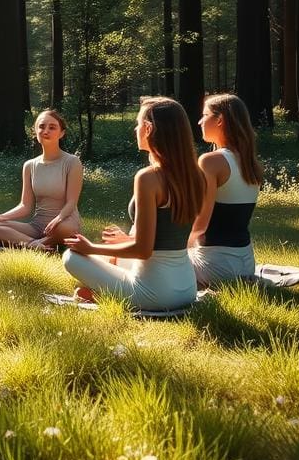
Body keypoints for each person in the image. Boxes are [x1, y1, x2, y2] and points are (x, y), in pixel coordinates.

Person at [62, 97, 204, 310]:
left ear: (148, 128)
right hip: (187, 287)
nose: (135, 129)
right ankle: (104, 293)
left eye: (138, 124)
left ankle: (106, 295)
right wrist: (123, 241)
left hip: (156, 294)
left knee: (71, 257)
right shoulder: (197, 175)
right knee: (115, 253)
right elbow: (164, 238)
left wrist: (91, 247)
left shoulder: (148, 177)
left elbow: (143, 250)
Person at [188, 93, 262, 286]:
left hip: (214, 265)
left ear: (219, 119)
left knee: (140, 261)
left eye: (204, 115)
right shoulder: (250, 163)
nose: (199, 122)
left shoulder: (211, 161)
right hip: (246, 264)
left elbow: (200, 225)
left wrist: (172, 251)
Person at [0, 110, 82, 250]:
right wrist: (1, 217)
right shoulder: (29, 165)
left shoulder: (72, 162)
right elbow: (25, 205)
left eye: (52, 127)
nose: (46, 131)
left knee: (65, 229)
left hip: (64, 222)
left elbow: (72, 202)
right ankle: (34, 244)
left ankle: (33, 243)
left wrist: (58, 219)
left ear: (61, 133)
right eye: (41, 126)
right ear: (35, 131)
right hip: (37, 226)